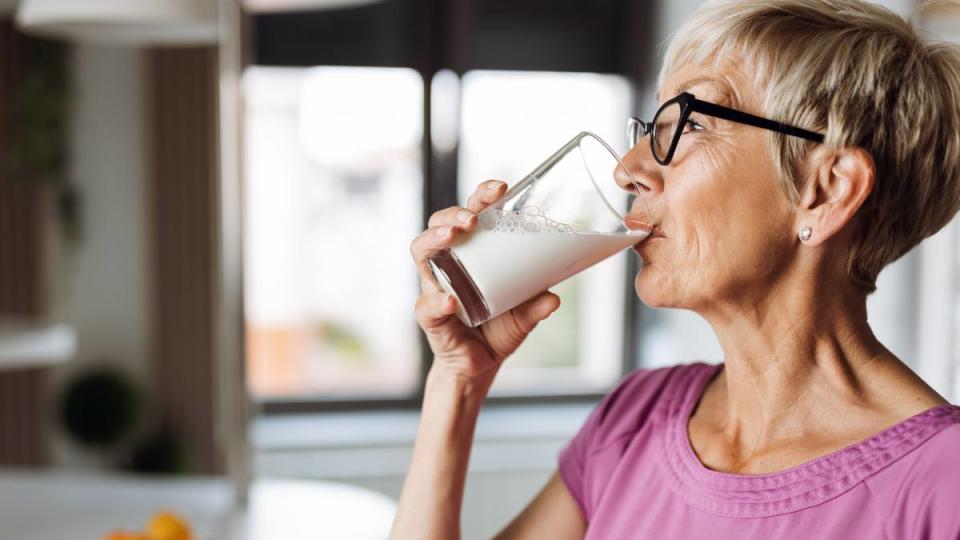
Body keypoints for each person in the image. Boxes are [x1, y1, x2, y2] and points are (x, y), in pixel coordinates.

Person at [392, 0, 960, 537]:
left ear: (827, 190)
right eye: (649, 128)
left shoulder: (942, 488)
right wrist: (457, 383)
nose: (628, 169)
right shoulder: (636, 419)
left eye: (689, 123)